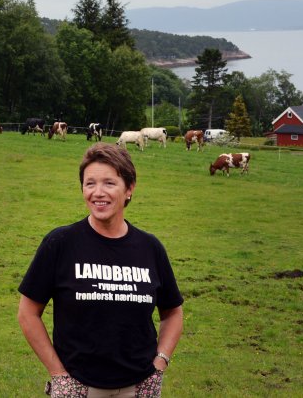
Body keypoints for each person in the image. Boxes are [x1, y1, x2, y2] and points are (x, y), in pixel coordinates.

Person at [17, 142, 184, 397]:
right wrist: (58, 375)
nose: (98, 192)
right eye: (90, 183)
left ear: (129, 189)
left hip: (138, 389)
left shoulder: (150, 248)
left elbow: (172, 313)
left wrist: (159, 364)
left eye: (109, 183)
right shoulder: (60, 243)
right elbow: (28, 313)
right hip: (77, 388)